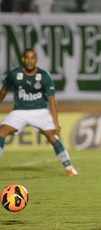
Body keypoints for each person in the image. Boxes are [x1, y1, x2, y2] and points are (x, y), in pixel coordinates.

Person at [0, 48, 78, 177]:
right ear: (23, 59)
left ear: (36, 59)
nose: (30, 61)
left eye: (32, 58)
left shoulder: (44, 76)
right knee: (1, 132)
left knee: (52, 136)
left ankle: (69, 168)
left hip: (40, 111)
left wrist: (56, 122)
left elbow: (52, 100)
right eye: (27, 58)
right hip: (20, 111)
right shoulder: (14, 74)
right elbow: (3, 91)